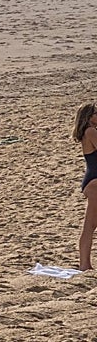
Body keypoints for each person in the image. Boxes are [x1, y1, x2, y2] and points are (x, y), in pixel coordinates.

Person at [75, 103, 97, 270]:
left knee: (90, 226)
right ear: (89, 117)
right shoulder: (90, 132)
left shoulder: (89, 132)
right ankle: (84, 264)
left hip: (92, 182)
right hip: (94, 183)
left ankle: (85, 264)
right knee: (89, 226)